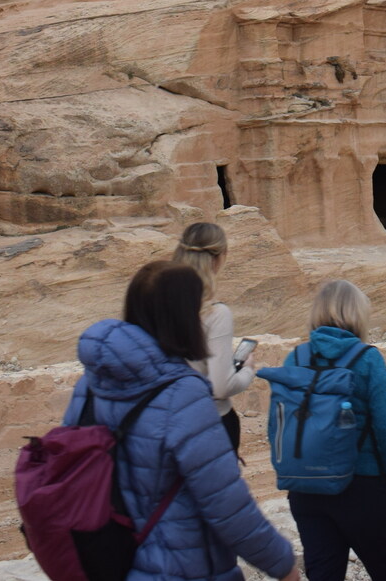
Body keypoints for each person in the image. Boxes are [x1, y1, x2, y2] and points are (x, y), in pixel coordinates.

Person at [65, 261, 299, 581]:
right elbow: (226, 505)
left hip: (107, 556)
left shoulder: (90, 383)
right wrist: (282, 564)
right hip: (178, 565)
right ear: (183, 316)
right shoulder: (183, 394)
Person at [282, 279, 386, 581]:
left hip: (306, 487)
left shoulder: (295, 358)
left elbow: (282, 424)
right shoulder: (368, 358)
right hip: (361, 486)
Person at [172, 221, 256, 451]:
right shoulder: (215, 313)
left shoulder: (155, 301)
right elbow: (220, 387)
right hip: (208, 422)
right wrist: (247, 370)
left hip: (163, 419)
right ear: (219, 258)